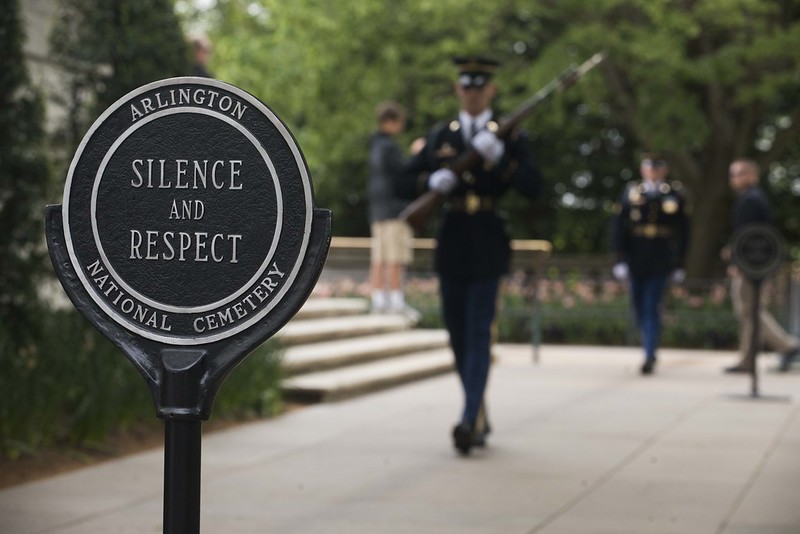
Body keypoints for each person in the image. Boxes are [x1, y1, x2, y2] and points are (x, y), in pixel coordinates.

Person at [403, 56, 541, 455]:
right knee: (458, 334)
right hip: (452, 239)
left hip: (487, 239)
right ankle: (477, 409)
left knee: (480, 332)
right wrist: (430, 179)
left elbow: (534, 187)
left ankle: (468, 418)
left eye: (481, 88)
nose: (474, 93)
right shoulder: (440, 134)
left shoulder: (510, 137)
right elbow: (402, 180)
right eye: (467, 87)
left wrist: (501, 159)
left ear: (491, 91)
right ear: (458, 91)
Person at [611, 152, 690, 375]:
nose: (654, 172)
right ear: (643, 170)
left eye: (658, 168)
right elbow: (619, 226)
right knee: (638, 306)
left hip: (660, 258)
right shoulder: (632, 191)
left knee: (651, 306)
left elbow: (683, 231)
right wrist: (619, 259)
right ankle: (649, 345)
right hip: (636, 257)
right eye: (650, 167)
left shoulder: (674, 193)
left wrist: (679, 263)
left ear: (664, 170)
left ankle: (649, 353)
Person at [723, 158, 799, 373]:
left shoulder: (752, 200)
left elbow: (751, 237)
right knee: (749, 312)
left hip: (751, 265)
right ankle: (747, 360)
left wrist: (738, 261)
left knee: (751, 310)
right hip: (753, 263)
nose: (733, 179)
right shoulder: (752, 198)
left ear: (751, 175)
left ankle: (786, 345)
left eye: (737, 174)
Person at [367, 101, 418, 317]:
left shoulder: (375, 146)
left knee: (380, 257)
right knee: (395, 257)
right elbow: (405, 175)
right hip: (395, 210)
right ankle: (396, 302)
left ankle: (379, 300)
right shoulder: (389, 147)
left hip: (378, 210)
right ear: (390, 122)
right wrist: (417, 154)